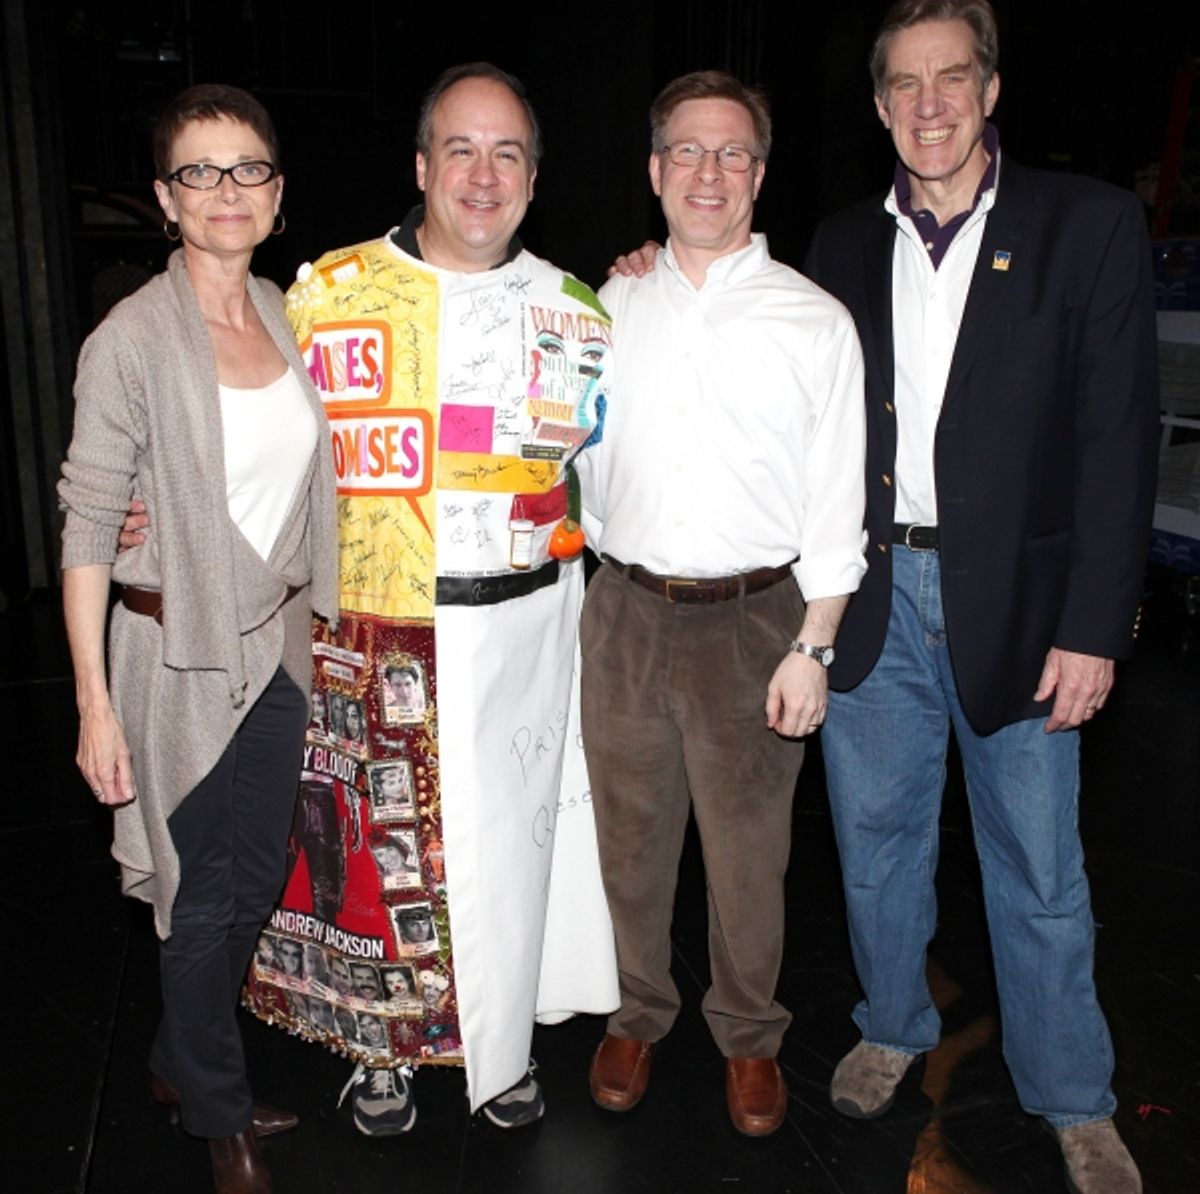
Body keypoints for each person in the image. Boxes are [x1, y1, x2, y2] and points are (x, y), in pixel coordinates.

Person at [800, 4, 1156, 1190]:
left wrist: (1097, 626)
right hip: (873, 596)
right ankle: (893, 1023)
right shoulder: (839, 242)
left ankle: (1073, 1096)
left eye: (954, 78)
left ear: (993, 90)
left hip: (1022, 602)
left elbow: (1118, 441)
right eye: (905, 83)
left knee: (1040, 867)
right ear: (880, 106)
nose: (931, 104)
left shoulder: (1088, 224)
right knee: (873, 847)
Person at [236, 61, 618, 1137]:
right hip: (376, 616)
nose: (483, 175)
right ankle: (382, 1051)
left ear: (535, 180)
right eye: (461, 148)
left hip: (530, 621)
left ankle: (500, 1052)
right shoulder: (328, 295)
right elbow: (250, 442)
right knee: (376, 857)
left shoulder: (577, 312)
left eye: (507, 154)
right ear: (421, 165)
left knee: (506, 850)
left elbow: (617, 469)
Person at [58, 83, 337, 1193]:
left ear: (277, 192)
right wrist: (92, 702)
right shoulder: (129, 340)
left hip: (272, 648)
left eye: (249, 169)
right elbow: (87, 520)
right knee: (197, 895)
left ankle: (182, 1057)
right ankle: (216, 1115)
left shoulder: (279, 310)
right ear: (167, 199)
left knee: (258, 874)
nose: (228, 192)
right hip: (173, 664)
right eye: (201, 173)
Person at [579, 70, 867, 1137]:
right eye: (687, 153)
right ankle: (639, 1012)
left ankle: (750, 1035)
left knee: (751, 855)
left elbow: (840, 498)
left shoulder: (815, 322)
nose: (709, 172)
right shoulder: (603, 307)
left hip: (757, 619)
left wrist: (815, 646)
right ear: (655, 173)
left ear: (759, 172)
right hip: (622, 610)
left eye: (732, 152)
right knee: (631, 837)